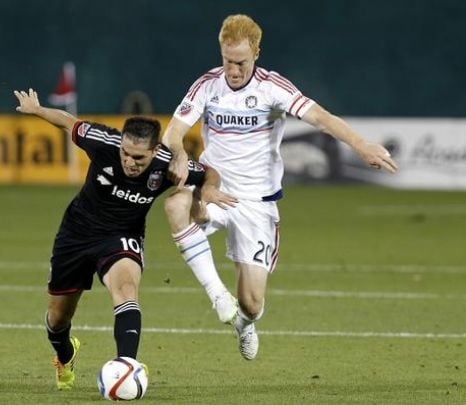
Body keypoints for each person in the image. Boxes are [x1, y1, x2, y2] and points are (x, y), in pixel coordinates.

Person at [162, 14, 399, 361]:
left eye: (241, 62)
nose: (233, 70)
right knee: (175, 206)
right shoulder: (207, 86)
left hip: (257, 203)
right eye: (228, 60)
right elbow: (172, 133)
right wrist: (180, 152)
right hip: (213, 189)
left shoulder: (272, 88)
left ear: (256, 52)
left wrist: (361, 146)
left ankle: (245, 322)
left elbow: (321, 118)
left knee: (253, 303)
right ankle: (217, 295)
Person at [13, 88, 233, 390]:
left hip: (122, 236)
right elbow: (68, 122)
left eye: (138, 157)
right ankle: (65, 354)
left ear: (155, 152)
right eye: (126, 154)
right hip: (76, 234)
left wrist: (206, 191)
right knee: (58, 319)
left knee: (127, 289)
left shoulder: (167, 165)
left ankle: (127, 367)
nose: (129, 161)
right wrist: (37, 110)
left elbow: (209, 173)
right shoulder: (104, 142)